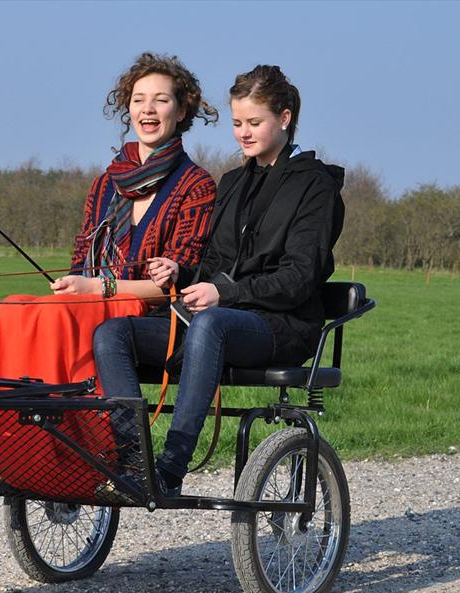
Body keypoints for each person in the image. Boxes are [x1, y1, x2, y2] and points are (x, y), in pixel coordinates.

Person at [92, 64, 346, 496]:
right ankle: (134, 463)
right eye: (237, 123)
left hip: (281, 324)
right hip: (217, 318)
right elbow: (214, 263)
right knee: (113, 333)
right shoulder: (232, 183)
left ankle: (170, 469)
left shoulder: (315, 186)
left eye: (254, 122)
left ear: (284, 118)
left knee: (211, 323)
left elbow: (300, 278)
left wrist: (223, 293)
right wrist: (180, 271)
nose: (243, 133)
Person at [0, 52, 218, 390]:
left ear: (180, 112)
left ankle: (71, 418)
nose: (147, 109)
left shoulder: (196, 185)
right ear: (128, 109)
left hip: (151, 314)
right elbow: (81, 261)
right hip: (91, 300)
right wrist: (73, 284)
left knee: (57, 316)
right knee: (13, 308)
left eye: (161, 100)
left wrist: (98, 287)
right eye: (138, 100)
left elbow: (174, 287)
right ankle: (4, 420)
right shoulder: (105, 183)